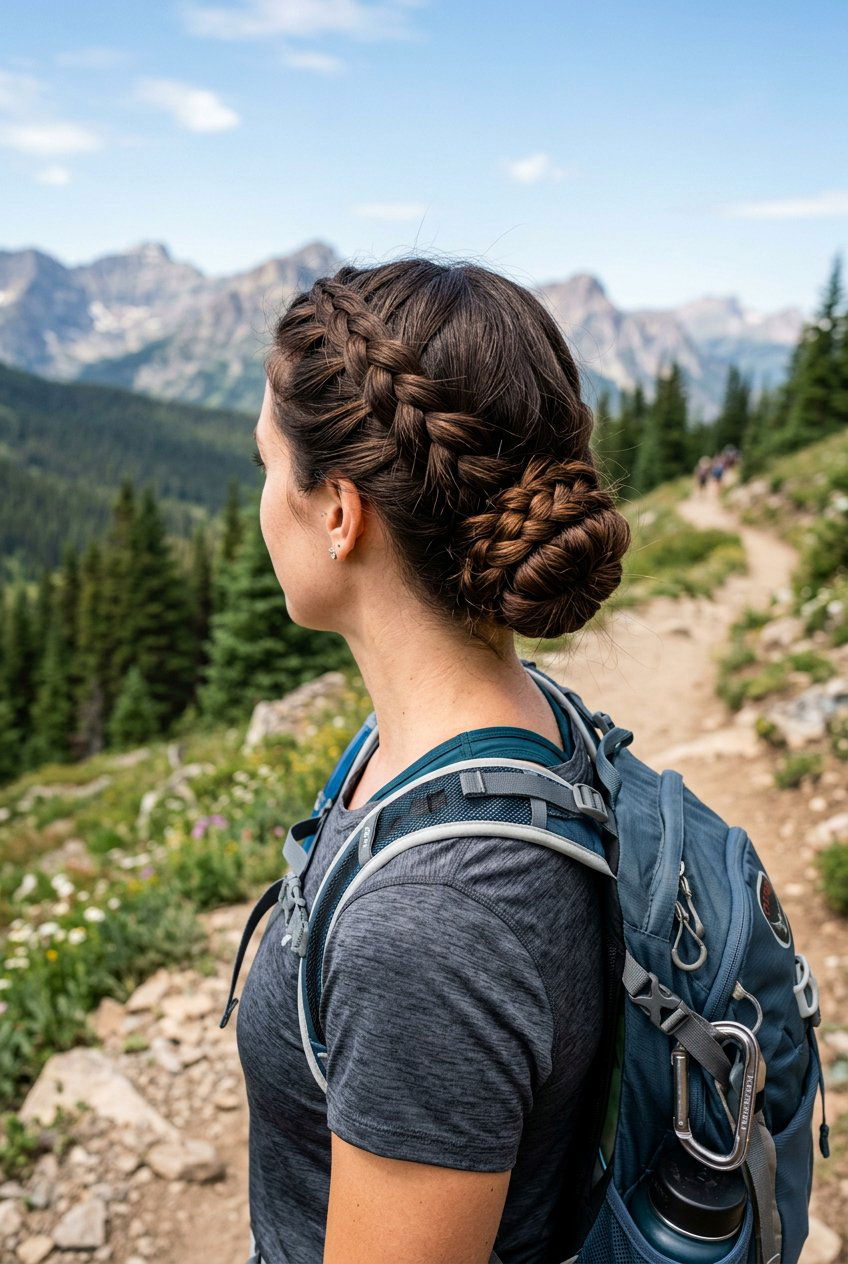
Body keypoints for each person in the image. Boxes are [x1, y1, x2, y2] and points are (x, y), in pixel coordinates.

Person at [236, 257, 632, 1264]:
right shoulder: (517, 720)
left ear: (338, 511)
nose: (259, 503)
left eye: (265, 467)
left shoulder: (428, 927)